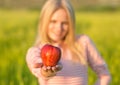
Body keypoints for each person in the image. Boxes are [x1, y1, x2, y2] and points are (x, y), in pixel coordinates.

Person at [26, 0, 111, 85]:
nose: (59, 28)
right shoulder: (36, 51)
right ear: (44, 21)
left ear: (71, 24)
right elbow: (36, 66)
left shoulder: (83, 42)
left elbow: (105, 75)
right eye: (53, 21)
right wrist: (46, 72)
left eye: (65, 23)